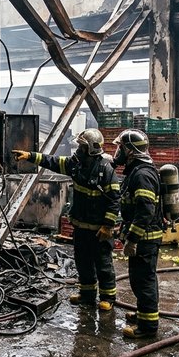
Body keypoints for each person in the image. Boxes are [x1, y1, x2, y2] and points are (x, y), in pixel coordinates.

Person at [12, 129, 120, 310]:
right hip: (81, 226)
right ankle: (87, 295)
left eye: (82, 146)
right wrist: (30, 156)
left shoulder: (105, 169)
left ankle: (108, 298)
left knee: (103, 264)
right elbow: (52, 161)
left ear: (91, 148)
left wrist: (108, 226)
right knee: (83, 262)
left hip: (99, 230)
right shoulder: (75, 164)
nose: (78, 150)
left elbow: (114, 200)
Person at [113, 129, 162, 339]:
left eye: (120, 148)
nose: (117, 152)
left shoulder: (142, 175)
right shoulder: (137, 170)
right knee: (140, 279)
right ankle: (143, 314)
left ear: (130, 151)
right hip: (143, 237)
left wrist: (132, 239)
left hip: (145, 239)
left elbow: (145, 211)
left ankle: (148, 327)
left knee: (143, 281)